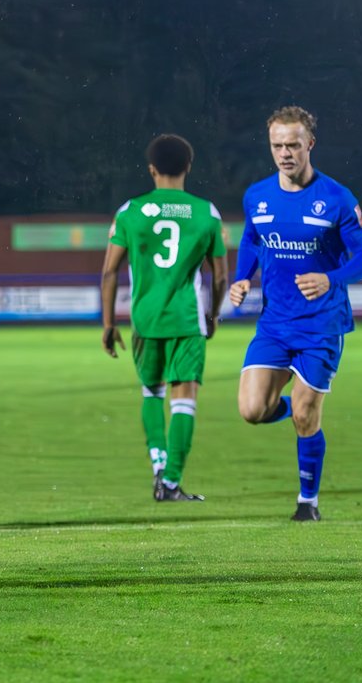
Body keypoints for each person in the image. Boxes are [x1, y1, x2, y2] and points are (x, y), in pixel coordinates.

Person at [230, 106, 362, 521]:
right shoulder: (257, 196)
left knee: (305, 414)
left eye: (293, 145)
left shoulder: (336, 198)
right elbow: (251, 239)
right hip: (275, 324)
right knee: (252, 410)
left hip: (322, 325)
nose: (284, 153)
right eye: (277, 145)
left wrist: (332, 278)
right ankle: (295, 410)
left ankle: (308, 502)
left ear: (310, 144)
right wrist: (242, 278)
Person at [101, 134, 228, 502]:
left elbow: (109, 272)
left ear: (151, 169)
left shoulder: (130, 211)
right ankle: (170, 483)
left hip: (145, 319)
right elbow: (220, 276)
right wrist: (213, 314)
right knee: (184, 398)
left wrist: (109, 324)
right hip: (187, 319)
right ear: (188, 166)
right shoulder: (206, 213)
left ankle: (158, 465)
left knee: (152, 392)